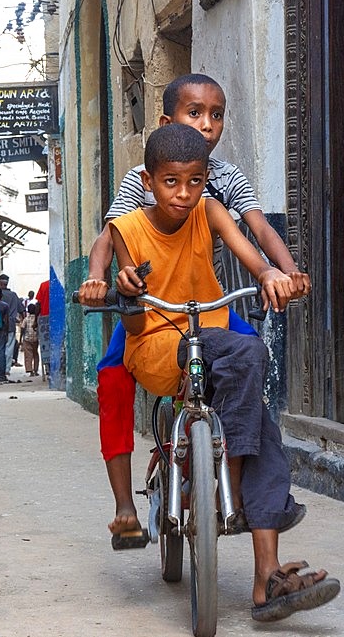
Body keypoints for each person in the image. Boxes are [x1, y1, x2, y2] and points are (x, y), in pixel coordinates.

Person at [85, 124, 337, 621]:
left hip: (211, 333)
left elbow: (250, 249)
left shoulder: (209, 210)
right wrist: (107, 283)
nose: (183, 193)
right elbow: (106, 259)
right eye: (171, 182)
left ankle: (266, 579)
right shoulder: (129, 227)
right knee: (247, 361)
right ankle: (232, 487)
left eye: (195, 181)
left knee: (260, 409)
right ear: (149, 181)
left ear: (205, 180)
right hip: (157, 343)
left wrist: (270, 274)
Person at [79, 73, 312, 540]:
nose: (206, 125)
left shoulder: (223, 181)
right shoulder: (141, 177)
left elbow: (259, 232)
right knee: (112, 376)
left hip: (208, 305)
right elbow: (111, 235)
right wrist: (98, 279)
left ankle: (239, 481)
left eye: (216, 115)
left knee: (252, 371)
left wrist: (285, 270)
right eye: (194, 114)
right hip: (152, 305)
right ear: (167, 122)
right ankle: (125, 504)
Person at [0, 274, 23, 372]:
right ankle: (6, 369)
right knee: (9, 346)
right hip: (11, 324)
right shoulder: (13, 295)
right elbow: (21, 309)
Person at [20, 302, 41, 377]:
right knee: (35, 354)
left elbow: (22, 328)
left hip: (27, 339)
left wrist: (20, 339)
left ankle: (30, 370)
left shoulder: (26, 319)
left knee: (28, 355)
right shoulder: (37, 319)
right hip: (35, 339)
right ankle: (36, 369)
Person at [36, 279, 50, 379]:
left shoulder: (44, 285)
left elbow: (39, 304)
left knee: (46, 345)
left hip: (45, 319)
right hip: (59, 317)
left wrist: (35, 321)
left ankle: (48, 368)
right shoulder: (63, 282)